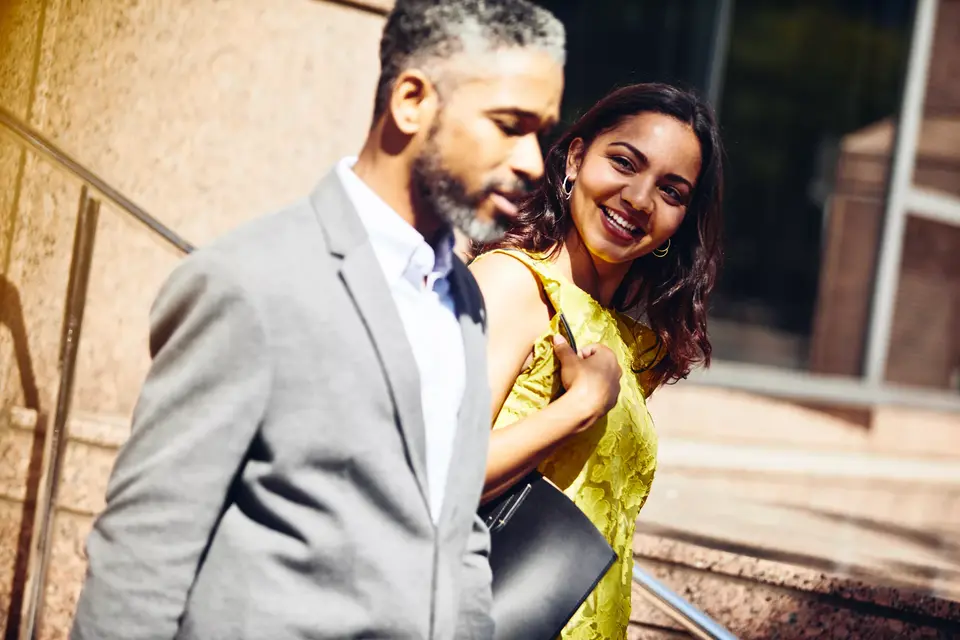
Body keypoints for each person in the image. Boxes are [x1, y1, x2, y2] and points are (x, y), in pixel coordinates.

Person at [69, 1, 565, 639]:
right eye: (509, 125)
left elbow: (455, 523)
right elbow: (143, 554)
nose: (532, 161)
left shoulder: (465, 296)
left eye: (541, 134)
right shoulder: (252, 281)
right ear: (411, 101)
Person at [469, 83, 724, 638]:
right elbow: (440, 476)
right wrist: (580, 406)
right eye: (624, 163)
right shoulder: (512, 283)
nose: (639, 198)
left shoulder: (624, 342)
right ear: (576, 159)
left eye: (672, 191)